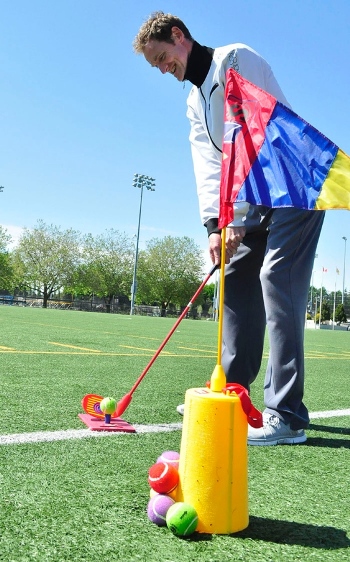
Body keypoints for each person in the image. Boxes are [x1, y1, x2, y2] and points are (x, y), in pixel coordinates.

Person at [133, 11, 325, 445]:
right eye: (157, 66)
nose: (165, 70)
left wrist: (235, 217)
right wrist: (214, 228)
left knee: (276, 279)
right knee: (236, 275)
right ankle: (234, 393)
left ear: (179, 37)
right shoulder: (192, 101)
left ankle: (288, 414)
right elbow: (207, 163)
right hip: (253, 193)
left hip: (294, 181)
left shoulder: (235, 59)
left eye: (163, 58)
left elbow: (248, 132)